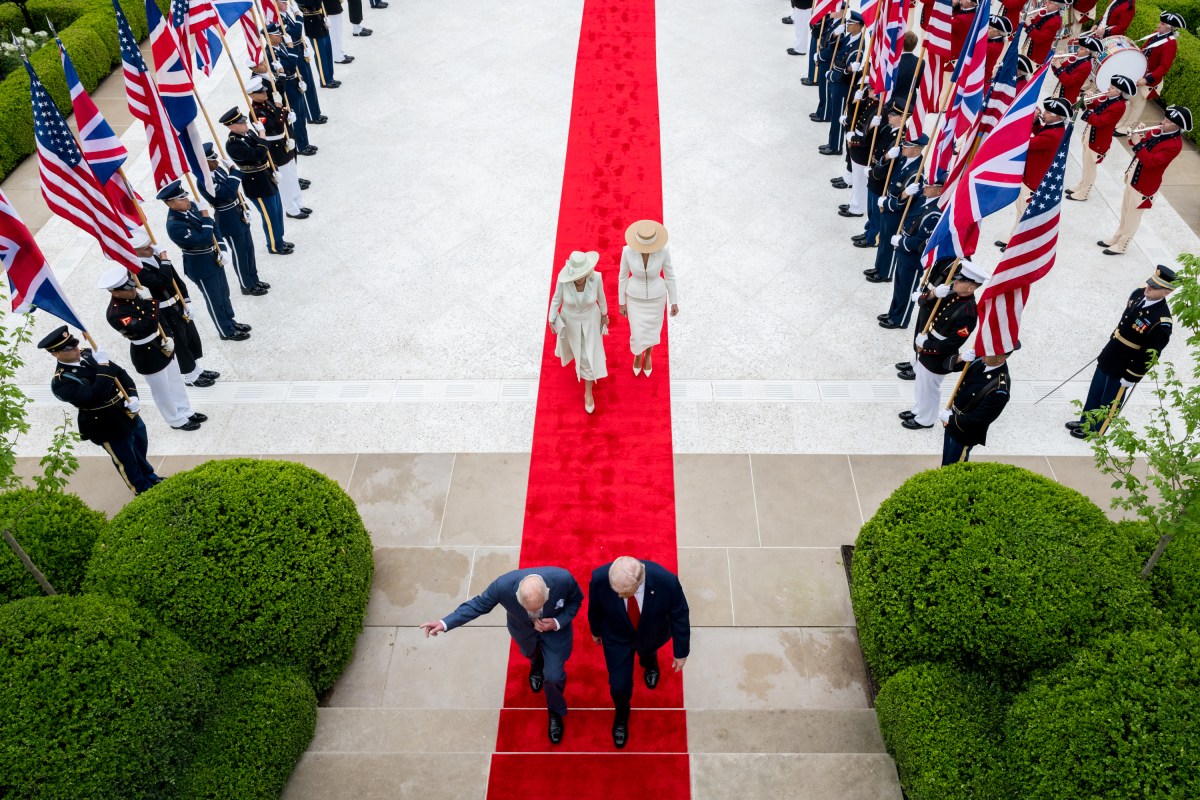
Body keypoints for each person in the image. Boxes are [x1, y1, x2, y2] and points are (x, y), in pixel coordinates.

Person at [419, 568, 584, 745]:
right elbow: (478, 605)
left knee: (553, 677)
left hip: (555, 634)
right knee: (532, 654)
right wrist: (444, 623)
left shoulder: (563, 579)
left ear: (548, 592)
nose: (535, 614)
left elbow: (576, 601)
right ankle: (536, 666)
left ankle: (555, 711)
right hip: (524, 632)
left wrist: (557, 623)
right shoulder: (503, 586)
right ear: (517, 596)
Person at [41, 326, 162, 494]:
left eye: (75, 343)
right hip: (105, 424)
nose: (76, 349)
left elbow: (120, 374)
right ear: (55, 354)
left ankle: (150, 476)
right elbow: (96, 394)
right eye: (69, 348)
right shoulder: (62, 382)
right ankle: (141, 489)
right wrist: (104, 366)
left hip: (124, 411)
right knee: (126, 458)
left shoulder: (89, 354)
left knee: (139, 444)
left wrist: (133, 396)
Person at [588, 556, 691, 750]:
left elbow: (679, 614)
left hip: (651, 633)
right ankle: (622, 714)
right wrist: (595, 631)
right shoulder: (601, 577)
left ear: (639, 581)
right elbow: (595, 607)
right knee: (618, 686)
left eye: (624, 593)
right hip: (616, 638)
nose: (619, 596)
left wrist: (681, 651)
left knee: (647, 652)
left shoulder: (666, 581)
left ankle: (650, 663)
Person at [1068, 265, 1175, 439]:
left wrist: (1132, 376)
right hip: (1112, 352)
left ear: (1166, 292)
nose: (1148, 288)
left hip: (1126, 364)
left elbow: (1150, 353)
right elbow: (1123, 323)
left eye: (1155, 287)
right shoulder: (1138, 294)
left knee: (1110, 399)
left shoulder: (1161, 321)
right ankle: (1086, 420)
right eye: (1150, 283)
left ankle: (1096, 430)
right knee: (1096, 390)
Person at [97, 265, 205, 432]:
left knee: (175, 381)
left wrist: (169, 336)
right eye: (128, 289)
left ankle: (185, 411)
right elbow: (144, 328)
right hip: (147, 353)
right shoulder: (115, 313)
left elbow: (159, 319)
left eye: (132, 286)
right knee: (162, 391)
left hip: (162, 342)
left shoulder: (134, 297)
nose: (133, 291)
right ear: (115, 292)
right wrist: (153, 304)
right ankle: (175, 420)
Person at [898, 260, 985, 430]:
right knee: (921, 382)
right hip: (928, 343)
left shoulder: (968, 313)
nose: (956, 281)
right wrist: (933, 294)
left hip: (938, 355)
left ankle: (926, 419)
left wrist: (927, 344)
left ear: (971, 288)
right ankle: (919, 409)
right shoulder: (953, 295)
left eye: (961, 281)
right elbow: (927, 305)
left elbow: (951, 344)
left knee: (930, 388)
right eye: (958, 278)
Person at [159, 180, 250, 342]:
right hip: (200, 265)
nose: (187, 200)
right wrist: (206, 217)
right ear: (171, 203)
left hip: (214, 257)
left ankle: (230, 321)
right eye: (182, 199)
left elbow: (214, 228)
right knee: (215, 298)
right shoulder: (174, 226)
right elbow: (203, 238)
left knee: (224, 293)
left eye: (185, 196)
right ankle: (225, 330)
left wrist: (221, 247)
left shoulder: (191, 206)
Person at [127, 228, 219, 389]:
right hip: (164, 311)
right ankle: (189, 375)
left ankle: (196, 368)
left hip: (177, 304)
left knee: (190, 337)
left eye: (150, 245)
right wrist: (164, 258)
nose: (152, 249)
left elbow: (175, 280)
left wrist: (187, 300)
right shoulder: (137, 271)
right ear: (135, 252)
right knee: (180, 343)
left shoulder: (155, 257)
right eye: (146, 248)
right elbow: (162, 280)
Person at [1100, 105, 1191, 255]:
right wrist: (1137, 136)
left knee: (1132, 218)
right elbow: (1135, 145)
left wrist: (1138, 143)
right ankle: (1117, 236)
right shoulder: (1158, 130)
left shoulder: (1174, 145)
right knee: (1125, 211)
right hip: (1133, 176)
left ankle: (1122, 245)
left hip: (1144, 185)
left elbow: (1150, 162)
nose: (1162, 122)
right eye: (1164, 119)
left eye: (1167, 121)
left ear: (1176, 126)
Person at [998, 97, 1070, 250]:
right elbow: (1039, 132)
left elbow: (1027, 143)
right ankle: (1013, 237)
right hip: (1029, 177)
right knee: (1020, 211)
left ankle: (1019, 245)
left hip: (1033, 182)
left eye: (1048, 112)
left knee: (1025, 215)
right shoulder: (1053, 127)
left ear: (1058, 116)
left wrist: (1025, 122)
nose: (1044, 114)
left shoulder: (1053, 135)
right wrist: (1036, 122)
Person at [198, 143, 268, 296]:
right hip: (227, 217)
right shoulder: (204, 180)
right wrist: (234, 171)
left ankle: (254, 279)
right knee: (240, 253)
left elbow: (235, 192)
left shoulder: (218, 171)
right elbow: (226, 193)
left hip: (237, 211)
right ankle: (246, 285)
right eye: (212, 160)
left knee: (249, 248)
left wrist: (245, 208)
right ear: (204, 163)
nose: (216, 162)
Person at [221, 106, 292, 255]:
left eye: (244, 121)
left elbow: (266, 152)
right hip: (256, 183)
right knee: (270, 215)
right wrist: (262, 132)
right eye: (241, 123)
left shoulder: (248, 133)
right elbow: (259, 154)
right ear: (232, 127)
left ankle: (279, 239)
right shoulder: (233, 144)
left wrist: (273, 169)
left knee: (277, 211)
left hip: (266, 176)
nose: (246, 124)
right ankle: (274, 245)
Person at [878, 171, 945, 329]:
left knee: (907, 288)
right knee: (899, 284)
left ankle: (900, 319)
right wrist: (905, 194)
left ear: (940, 190)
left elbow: (920, 241)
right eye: (926, 184)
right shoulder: (923, 198)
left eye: (930, 186)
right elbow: (904, 208)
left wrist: (902, 241)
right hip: (903, 249)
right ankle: (893, 312)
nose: (925, 187)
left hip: (913, 255)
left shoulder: (935, 212)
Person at [548, 251, 609, 413]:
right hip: (571, 321)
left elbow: (601, 299)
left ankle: (588, 392)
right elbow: (556, 300)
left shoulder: (596, 278)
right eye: (576, 275)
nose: (579, 278)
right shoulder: (563, 281)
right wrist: (551, 318)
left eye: (582, 274)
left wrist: (604, 315)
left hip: (591, 320)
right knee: (578, 351)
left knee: (587, 355)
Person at [939, 343, 1016, 465]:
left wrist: (951, 419)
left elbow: (978, 420)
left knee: (954, 467)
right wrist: (961, 357)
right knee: (946, 459)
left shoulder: (999, 388)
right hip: (952, 419)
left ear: (1002, 358)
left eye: (990, 351)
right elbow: (945, 365)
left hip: (964, 431)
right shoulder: (980, 359)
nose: (984, 351)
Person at [619, 221, 678, 378]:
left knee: (652, 331)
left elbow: (670, 275)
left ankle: (648, 355)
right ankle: (638, 355)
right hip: (634, 298)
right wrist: (621, 302)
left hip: (657, 298)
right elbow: (623, 276)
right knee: (637, 332)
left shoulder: (664, 251)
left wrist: (674, 300)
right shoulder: (627, 251)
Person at [247, 76, 310, 222]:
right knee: (286, 181)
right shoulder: (256, 113)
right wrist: (282, 111)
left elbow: (279, 118)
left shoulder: (266, 102)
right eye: (260, 92)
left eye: (263, 91)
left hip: (284, 142)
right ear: (252, 95)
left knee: (293, 174)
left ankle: (298, 203)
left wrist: (286, 113)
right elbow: (272, 126)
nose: (264, 93)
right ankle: (291, 209)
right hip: (275, 148)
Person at [865, 133, 926, 283]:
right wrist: (886, 158)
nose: (903, 146)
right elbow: (884, 171)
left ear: (917, 149)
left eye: (908, 145)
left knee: (890, 242)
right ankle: (879, 267)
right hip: (887, 205)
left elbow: (904, 203)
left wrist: (885, 203)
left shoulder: (917, 173)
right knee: (884, 239)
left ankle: (886, 273)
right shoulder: (903, 158)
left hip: (897, 212)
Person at [1066, 74, 1135, 202]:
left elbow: (1100, 121)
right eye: (1111, 86)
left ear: (1120, 93)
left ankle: (1084, 193)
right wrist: (1089, 100)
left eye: (1113, 88)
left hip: (1098, 141)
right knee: (1086, 165)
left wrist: (1086, 111)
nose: (1109, 89)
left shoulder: (1119, 106)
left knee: (1090, 168)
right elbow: (1098, 107)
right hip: (1090, 136)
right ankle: (1082, 185)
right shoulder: (1110, 99)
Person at [1114, 12, 1184, 137]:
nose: (1158, 25)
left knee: (1138, 104)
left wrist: (1147, 79)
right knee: (1130, 100)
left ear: (1169, 27)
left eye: (1162, 24)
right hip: (1140, 73)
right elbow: (1145, 49)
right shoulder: (1157, 34)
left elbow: (1164, 67)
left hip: (1149, 79)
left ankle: (1128, 128)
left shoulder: (1170, 43)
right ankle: (1122, 123)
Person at [820, 12, 865, 156]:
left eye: (850, 24)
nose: (847, 25)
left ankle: (835, 146)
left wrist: (832, 75)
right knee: (834, 113)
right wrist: (834, 35)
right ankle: (832, 142)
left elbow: (848, 73)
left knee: (838, 116)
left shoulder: (858, 48)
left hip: (842, 85)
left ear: (858, 27)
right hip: (836, 81)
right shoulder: (850, 37)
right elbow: (834, 47)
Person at [297, 0, 338, 87]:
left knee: (328, 51)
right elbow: (314, 3)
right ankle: (325, 80)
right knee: (321, 54)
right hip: (313, 24)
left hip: (321, 19)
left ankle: (330, 77)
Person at [1052, 35, 1102, 104]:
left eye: (1081, 49)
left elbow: (1068, 82)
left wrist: (1059, 67)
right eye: (1079, 47)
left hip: (1068, 97)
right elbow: (1060, 69)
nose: (1078, 50)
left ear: (1088, 52)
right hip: (1059, 90)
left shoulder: (1086, 66)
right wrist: (1055, 61)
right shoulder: (1076, 56)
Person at [1024, 0, 1064, 65]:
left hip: (1038, 54)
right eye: (1047, 1)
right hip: (1028, 46)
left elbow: (1039, 38)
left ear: (1057, 6)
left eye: (1050, 3)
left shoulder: (1056, 21)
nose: (1046, 4)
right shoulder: (1044, 11)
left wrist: (1029, 24)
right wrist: (1022, 20)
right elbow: (1034, 23)